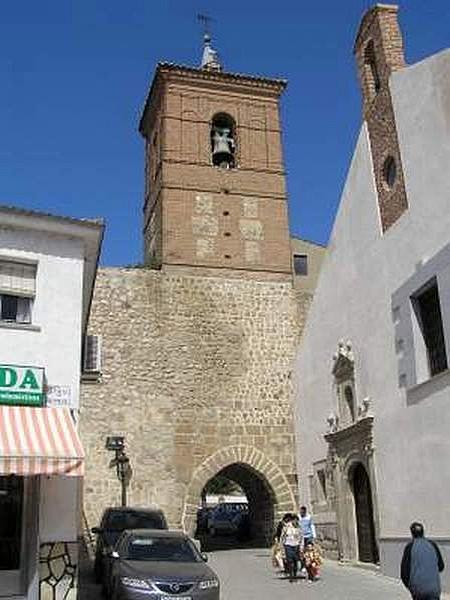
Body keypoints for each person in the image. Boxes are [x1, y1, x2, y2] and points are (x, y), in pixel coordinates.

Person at [401, 522, 445, 600]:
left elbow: (404, 572)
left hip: (418, 590)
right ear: (423, 532)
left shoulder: (409, 547)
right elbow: (441, 567)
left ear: (412, 533)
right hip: (434, 589)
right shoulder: (433, 544)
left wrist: (410, 586)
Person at [281, 514, 303, 582]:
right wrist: (281, 546)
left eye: (297, 521)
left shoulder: (299, 527)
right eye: (295, 520)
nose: (296, 522)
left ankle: (295, 574)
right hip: (288, 545)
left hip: (296, 545)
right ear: (292, 520)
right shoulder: (287, 527)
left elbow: (301, 537)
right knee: (290, 560)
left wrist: (301, 546)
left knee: (295, 560)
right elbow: (282, 537)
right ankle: (291, 575)